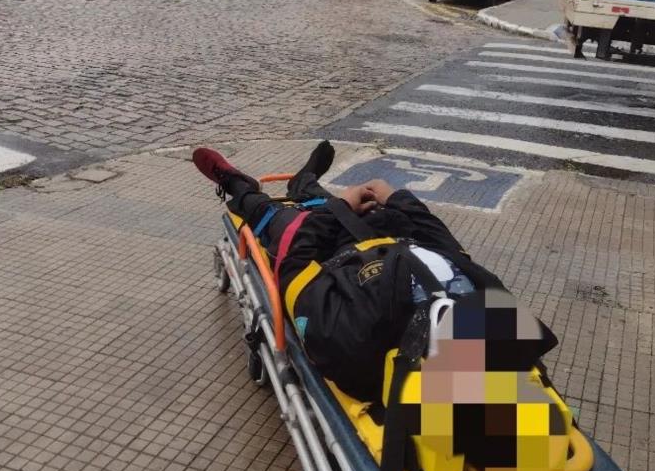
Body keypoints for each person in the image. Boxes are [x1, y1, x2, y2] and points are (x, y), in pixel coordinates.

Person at [193, 141, 555, 405]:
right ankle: (305, 181)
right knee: (325, 203)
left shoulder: (355, 343)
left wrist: (339, 208)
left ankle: (238, 184)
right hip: (393, 232)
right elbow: (446, 243)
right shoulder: (481, 301)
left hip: (329, 251)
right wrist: (397, 198)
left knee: (274, 215)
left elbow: (294, 266)